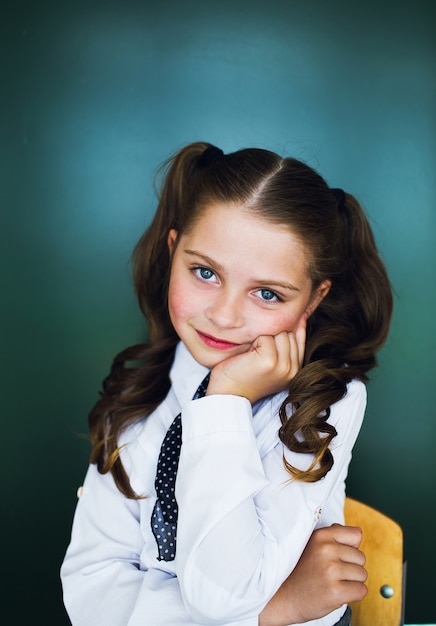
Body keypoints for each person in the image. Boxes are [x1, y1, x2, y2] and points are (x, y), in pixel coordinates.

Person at [61, 142, 393, 626]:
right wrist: (272, 611)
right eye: (205, 272)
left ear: (315, 298)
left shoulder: (325, 402)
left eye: (266, 293)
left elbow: (223, 595)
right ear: (173, 251)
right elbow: (91, 592)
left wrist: (225, 402)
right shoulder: (138, 396)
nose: (224, 315)